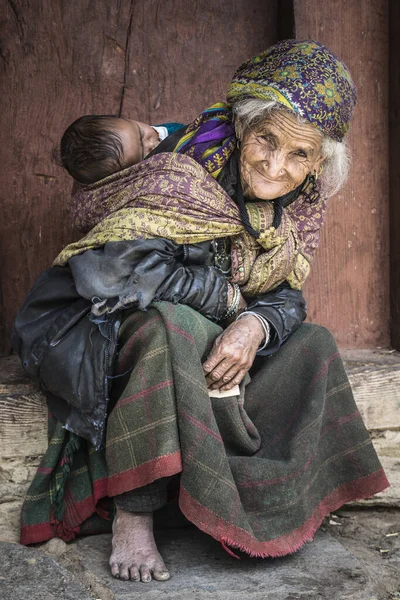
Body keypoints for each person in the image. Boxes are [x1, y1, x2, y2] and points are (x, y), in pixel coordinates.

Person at [14, 39, 389, 585]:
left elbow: (285, 295)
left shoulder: (298, 206)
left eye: (299, 155)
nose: (276, 165)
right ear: (243, 127)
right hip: (105, 332)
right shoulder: (177, 170)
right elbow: (111, 274)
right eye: (266, 139)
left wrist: (253, 324)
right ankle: (134, 512)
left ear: (317, 164)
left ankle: (262, 507)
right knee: (175, 324)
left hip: (207, 347)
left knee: (313, 342)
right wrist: (229, 303)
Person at [58, 115, 183, 183]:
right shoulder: (156, 177)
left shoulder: (159, 133)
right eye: (142, 155)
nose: (151, 144)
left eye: (141, 134)